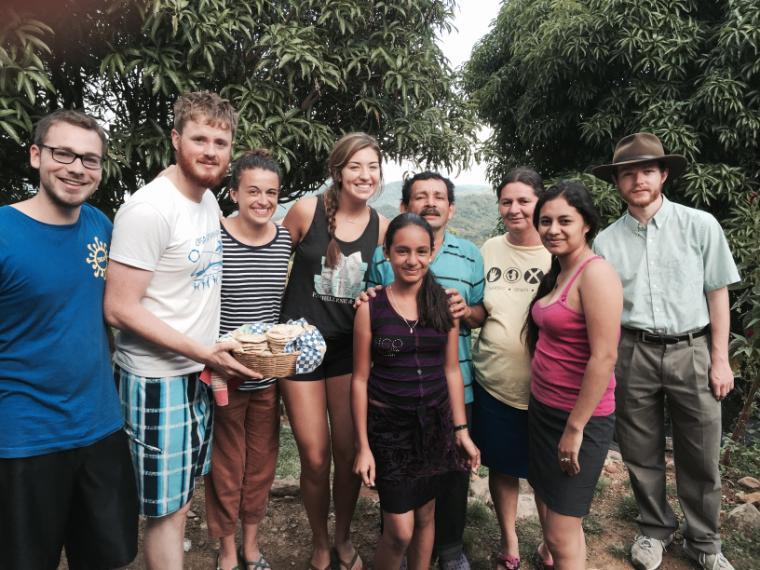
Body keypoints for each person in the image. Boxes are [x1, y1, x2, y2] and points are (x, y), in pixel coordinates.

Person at [104, 91, 259, 570]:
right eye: (199, 138)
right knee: (166, 514)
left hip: (195, 372)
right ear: (176, 139)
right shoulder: (150, 209)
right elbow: (119, 308)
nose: (211, 151)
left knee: (179, 503)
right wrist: (203, 352)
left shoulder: (208, 199)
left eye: (221, 140)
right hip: (156, 379)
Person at [591, 133, 740, 570]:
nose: (638, 179)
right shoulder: (606, 241)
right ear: (617, 182)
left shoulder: (700, 225)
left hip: (692, 349)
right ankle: (654, 529)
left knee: (701, 451)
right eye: (628, 173)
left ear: (664, 174)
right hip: (631, 349)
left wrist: (719, 357)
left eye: (647, 171)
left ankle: (705, 542)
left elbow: (717, 294)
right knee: (640, 449)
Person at [0, 109, 138, 569]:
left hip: (100, 427)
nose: (77, 168)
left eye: (90, 159)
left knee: (106, 559)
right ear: (36, 155)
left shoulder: (100, 225)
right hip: (25, 438)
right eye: (64, 154)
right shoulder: (4, 232)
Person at [280, 132, 389, 570]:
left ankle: (343, 536)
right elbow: (272, 265)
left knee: (347, 453)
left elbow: (384, 286)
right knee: (314, 454)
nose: (365, 176)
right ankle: (320, 540)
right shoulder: (306, 211)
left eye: (373, 167)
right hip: (300, 348)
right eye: (355, 167)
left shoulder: (382, 225)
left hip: (347, 352)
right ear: (338, 172)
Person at [365, 171, 485, 570]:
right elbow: (363, 367)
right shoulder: (378, 288)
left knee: (436, 503)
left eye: (439, 196)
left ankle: (447, 552)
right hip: (391, 414)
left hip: (441, 407)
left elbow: (458, 355)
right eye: (421, 196)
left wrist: (461, 430)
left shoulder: (460, 273)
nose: (412, 260)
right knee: (400, 523)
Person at [524, 181, 622, 570]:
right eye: (545, 221)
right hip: (545, 409)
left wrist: (576, 427)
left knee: (561, 534)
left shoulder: (595, 274)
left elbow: (604, 356)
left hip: (579, 417)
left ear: (586, 224)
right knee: (553, 521)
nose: (553, 229)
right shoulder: (560, 271)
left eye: (565, 220)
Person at [204, 150, 292, 570]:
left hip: (266, 378)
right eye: (253, 190)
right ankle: (225, 550)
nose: (263, 200)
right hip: (223, 377)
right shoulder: (213, 236)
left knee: (261, 465)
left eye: (271, 192)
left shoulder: (284, 241)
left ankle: (251, 544)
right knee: (225, 466)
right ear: (234, 191)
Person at [468, 167, 552, 569]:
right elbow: (482, 309)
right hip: (494, 381)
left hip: (548, 388)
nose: (514, 209)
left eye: (524, 201)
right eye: (507, 201)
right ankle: (511, 542)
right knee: (502, 466)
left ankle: (553, 544)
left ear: (540, 202)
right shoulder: (489, 249)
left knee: (545, 473)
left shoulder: (558, 249)